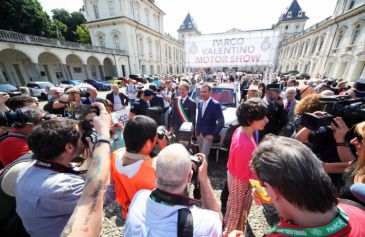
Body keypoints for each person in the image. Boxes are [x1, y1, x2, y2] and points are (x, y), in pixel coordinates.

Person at [15, 109, 111, 237]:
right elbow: (105, 194)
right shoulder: (65, 186)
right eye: (81, 137)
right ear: (69, 147)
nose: (84, 140)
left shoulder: (29, 168)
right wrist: (101, 143)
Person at [251, 135, 365, 237]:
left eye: (265, 187)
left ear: (271, 189)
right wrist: (279, 197)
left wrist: (278, 197)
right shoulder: (356, 209)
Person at [124, 144, 222, 236]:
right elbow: (218, 222)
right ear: (189, 176)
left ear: (155, 173)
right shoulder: (204, 223)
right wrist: (203, 180)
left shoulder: (139, 197)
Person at [59, 103, 111, 237]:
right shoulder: (68, 184)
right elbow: (104, 192)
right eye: (89, 123)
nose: (92, 127)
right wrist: (101, 142)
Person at [224, 98, 268, 235]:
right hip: (241, 181)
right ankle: (229, 233)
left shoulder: (240, 130)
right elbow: (245, 175)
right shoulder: (245, 144)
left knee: (234, 209)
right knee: (236, 212)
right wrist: (261, 188)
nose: (266, 120)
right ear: (250, 121)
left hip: (236, 178)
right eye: (262, 117)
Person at [110, 115, 158, 218]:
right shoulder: (153, 168)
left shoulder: (115, 155)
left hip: (128, 211)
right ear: (148, 144)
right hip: (149, 216)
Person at [196, 84, 224, 158]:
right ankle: (204, 168)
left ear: (210, 92)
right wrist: (197, 130)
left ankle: (203, 169)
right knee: (201, 154)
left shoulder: (215, 104)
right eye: (201, 92)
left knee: (203, 155)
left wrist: (213, 135)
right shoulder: (199, 103)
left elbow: (221, 122)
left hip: (208, 135)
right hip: (199, 134)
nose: (202, 94)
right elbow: (199, 118)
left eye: (205, 92)